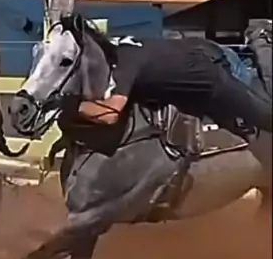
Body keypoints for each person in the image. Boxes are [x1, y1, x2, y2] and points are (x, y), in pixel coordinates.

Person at [62, 35, 272, 165]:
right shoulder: (125, 44)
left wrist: (73, 105)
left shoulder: (125, 68)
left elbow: (110, 114)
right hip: (201, 55)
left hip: (216, 75)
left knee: (265, 117)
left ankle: (262, 39)